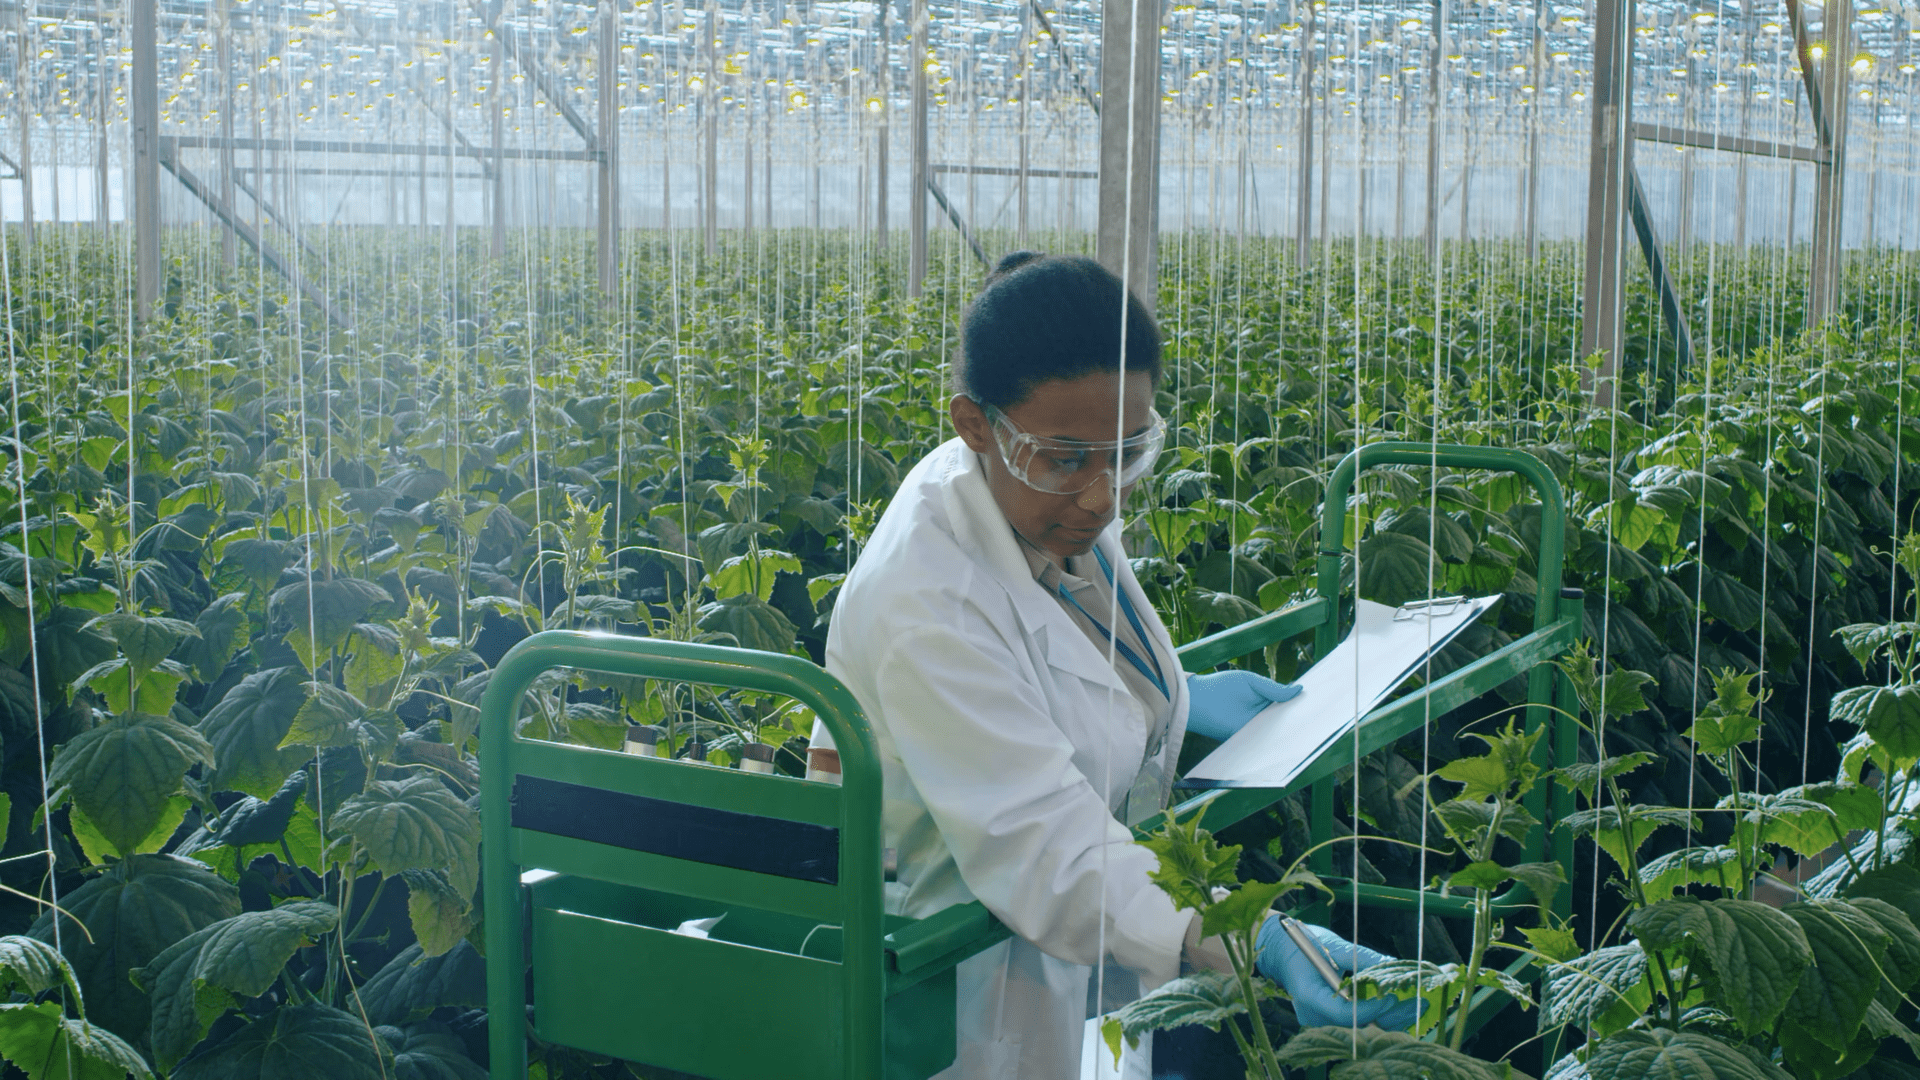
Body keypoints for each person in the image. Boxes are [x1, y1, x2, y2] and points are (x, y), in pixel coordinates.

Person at [809, 252, 1415, 1079]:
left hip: (1058, 958)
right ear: (975, 425)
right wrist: (1255, 934)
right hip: (951, 988)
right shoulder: (926, 596)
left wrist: (1176, 695)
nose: (1103, 495)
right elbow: (1046, 846)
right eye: (1069, 459)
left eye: (1128, 451)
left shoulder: (1034, 492)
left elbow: (1059, 653)